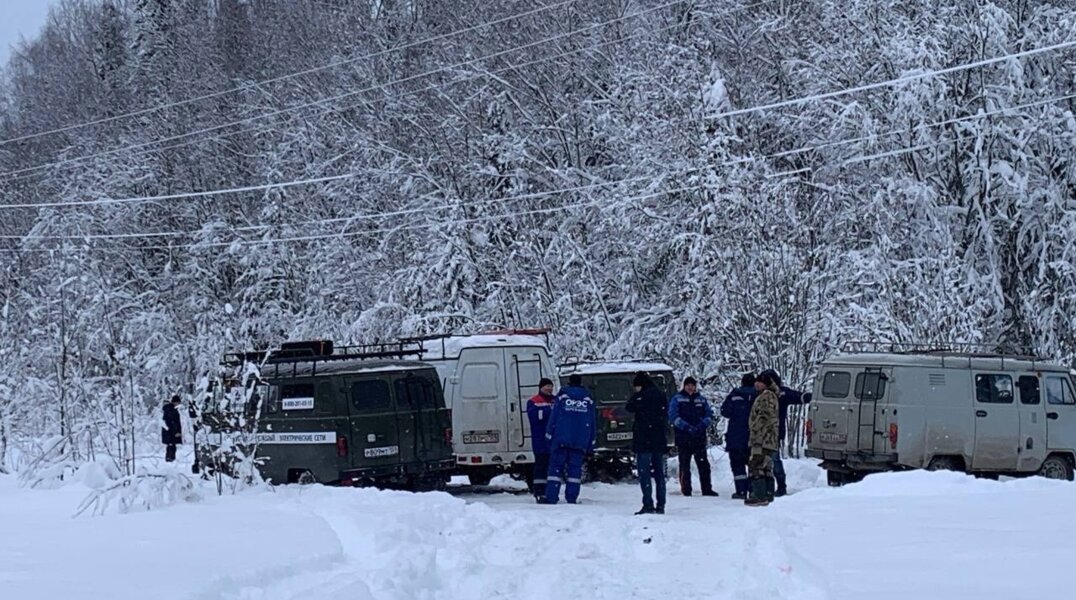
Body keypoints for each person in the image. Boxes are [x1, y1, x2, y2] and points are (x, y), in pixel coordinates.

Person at [542, 374, 595, 505]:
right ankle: (572, 497)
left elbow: (554, 417)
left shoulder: (563, 397)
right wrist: (591, 441)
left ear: (569, 382)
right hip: (580, 440)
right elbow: (592, 421)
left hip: (561, 438)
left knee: (555, 469)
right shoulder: (588, 399)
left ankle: (551, 497)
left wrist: (549, 434)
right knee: (575, 471)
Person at [759, 368, 811, 497]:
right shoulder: (769, 393)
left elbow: (799, 397)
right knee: (770, 460)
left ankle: (775, 487)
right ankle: (773, 486)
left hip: (769, 432)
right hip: (768, 432)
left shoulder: (779, 394)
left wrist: (808, 396)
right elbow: (800, 397)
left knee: (770, 459)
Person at [626, 372, 670, 515]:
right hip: (658, 440)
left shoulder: (640, 397)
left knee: (644, 473)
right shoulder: (660, 394)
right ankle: (661, 505)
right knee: (659, 474)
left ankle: (648, 504)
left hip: (643, 440)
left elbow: (629, 407)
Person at [668, 376, 717, 497]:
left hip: (699, 437)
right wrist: (686, 427)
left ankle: (707, 489)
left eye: (692, 385)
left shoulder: (701, 400)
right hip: (683, 437)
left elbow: (709, 415)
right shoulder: (677, 399)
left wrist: (702, 425)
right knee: (684, 464)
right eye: (688, 385)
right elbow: (673, 417)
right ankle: (686, 489)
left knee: (703, 464)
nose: (690, 387)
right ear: (684, 386)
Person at [721, 373, 757, 500]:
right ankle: (754, 489)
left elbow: (725, 411)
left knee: (737, 465)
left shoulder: (735, 394)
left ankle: (741, 491)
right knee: (754, 465)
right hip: (753, 436)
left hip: (736, 436)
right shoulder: (759, 395)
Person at [746, 371, 780, 506]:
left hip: (763, 438)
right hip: (768, 437)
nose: (756, 384)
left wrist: (755, 429)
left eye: (759, 382)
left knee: (757, 464)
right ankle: (768, 494)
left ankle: (760, 495)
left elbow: (765, 415)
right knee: (766, 466)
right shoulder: (769, 396)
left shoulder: (766, 396)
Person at [526, 378, 556, 501]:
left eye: (551, 386)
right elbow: (535, 417)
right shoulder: (533, 401)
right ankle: (539, 492)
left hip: (554, 440)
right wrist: (549, 411)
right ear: (540, 387)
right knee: (541, 466)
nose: (549, 389)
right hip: (540, 440)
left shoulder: (556, 400)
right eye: (546, 386)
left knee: (552, 467)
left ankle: (551, 492)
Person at [162, 395, 183, 462]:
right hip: (170, 433)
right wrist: (176, 432)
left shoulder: (170, 409)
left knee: (171, 446)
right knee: (171, 446)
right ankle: (170, 459)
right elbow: (173, 422)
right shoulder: (171, 410)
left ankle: (170, 459)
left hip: (169, 432)